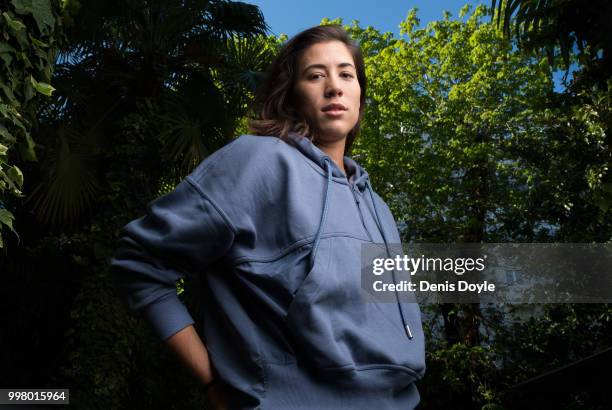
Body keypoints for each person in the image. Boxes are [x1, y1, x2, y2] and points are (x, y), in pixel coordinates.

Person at [110, 24, 426, 409]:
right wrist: (212, 383)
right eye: (315, 75)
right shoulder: (257, 161)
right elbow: (139, 263)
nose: (334, 87)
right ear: (290, 94)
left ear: (360, 93)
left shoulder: (379, 208)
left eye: (346, 74)